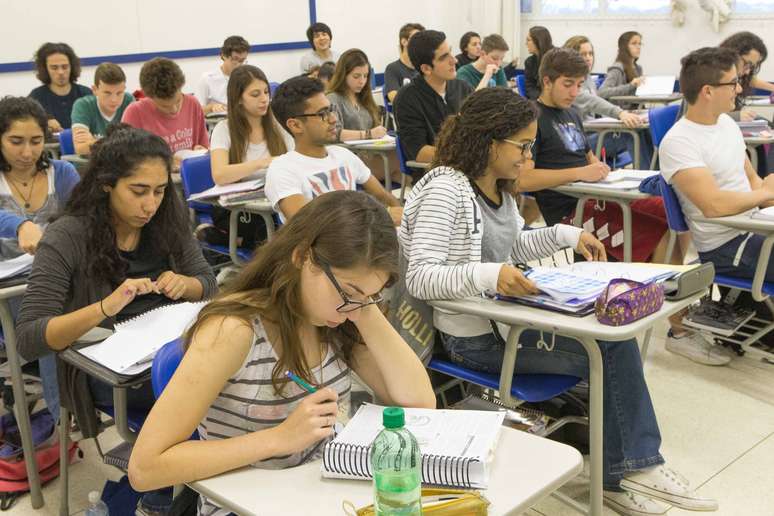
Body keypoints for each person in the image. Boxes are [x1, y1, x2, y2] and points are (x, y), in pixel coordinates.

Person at [400, 87, 718, 515]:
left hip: (504, 321)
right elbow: (421, 277)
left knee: (610, 339)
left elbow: (510, 246)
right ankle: (632, 470)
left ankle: (621, 469)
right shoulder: (446, 189)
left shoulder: (496, 185)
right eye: (523, 145)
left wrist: (568, 236)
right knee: (609, 347)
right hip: (473, 339)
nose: (528, 157)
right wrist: (493, 275)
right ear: (489, 141)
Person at [127, 190, 435, 516]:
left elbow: (417, 404)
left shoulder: (339, 320)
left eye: (369, 296)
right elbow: (145, 468)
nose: (350, 309)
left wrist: (364, 305)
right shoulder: (233, 331)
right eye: (346, 292)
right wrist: (279, 439)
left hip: (316, 495)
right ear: (302, 256)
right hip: (245, 505)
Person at [521, 48, 724, 364]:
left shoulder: (572, 114)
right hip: (570, 211)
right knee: (657, 231)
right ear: (547, 81)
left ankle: (666, 297)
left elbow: (587, 156)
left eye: (579, 85)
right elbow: (524, 179)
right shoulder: (534, 119)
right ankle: (673, 323)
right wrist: (581, 173)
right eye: (568, 84)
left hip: (595, 195)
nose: (575, 92)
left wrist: (603, 170)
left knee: (671, 211)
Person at [16, 123, 217, 437]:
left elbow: (207, 282)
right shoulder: (68, 235)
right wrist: (105, 307)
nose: (150, 204)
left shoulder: (165, 219)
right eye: (138, 191)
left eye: (160, 190)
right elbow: (29, 337)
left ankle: (185, 477)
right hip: (110, 370)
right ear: (107, 184)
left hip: (170, 349)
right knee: (212, 395)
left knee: (228, 377)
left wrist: (185, 284)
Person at [660, 47, 774, 365]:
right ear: (708, 91)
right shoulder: (679, 142)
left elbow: (752, 180)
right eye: (733, 83)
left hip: (754, 226)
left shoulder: (726, 124)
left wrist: (766, 192)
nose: (739, 89)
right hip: (726, 245)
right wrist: (764, 196)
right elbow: (713, 205)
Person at [0, 96, 81, 420]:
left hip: (57, 276)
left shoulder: (62, 172)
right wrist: (20, 225)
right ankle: (62, 412)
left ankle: (70, 403)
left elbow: (82, 217)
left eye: (35, 141)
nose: (26, 152)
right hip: (10, 289)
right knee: (48, 321)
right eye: (15, 142)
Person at [266, 76, 402, 224]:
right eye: (322, 114)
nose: (333, 119)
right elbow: (308, 225)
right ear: (296, 125)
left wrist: (405, 216)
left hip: (360, 239)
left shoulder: (343, 155)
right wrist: (380, 216)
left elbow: (383, 196)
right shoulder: (283, 169)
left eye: (331, 110)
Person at [204, 65, 293, 248]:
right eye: (255, 94)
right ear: (238, 100)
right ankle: (233, 241)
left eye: (266, 92)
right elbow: (219, 175)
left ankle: (238, 242)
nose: (264, 99)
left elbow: (295, 160)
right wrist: (262, 163)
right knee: (270, 236)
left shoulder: (275, 125)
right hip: (236, 208)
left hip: (271, 200)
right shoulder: (224, 129)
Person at [563, 35, 653, 169]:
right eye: (583, 54)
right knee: (631, 134)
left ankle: (656, 176)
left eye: (590, 53)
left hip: (594, 132)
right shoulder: (569, 83)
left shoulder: (587, 79)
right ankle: (649, 180)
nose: (588, 58)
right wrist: (620, 113)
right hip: (581, 141)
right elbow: (592, 101)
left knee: (642, 129)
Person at [393, 30, 473, 170]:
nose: (454, 60)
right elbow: (419, 152)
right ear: (426, 69)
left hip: (470, 167)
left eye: (451, 52)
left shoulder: (463, 87)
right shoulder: (406, 99)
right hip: (435, 174)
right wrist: (465, 154)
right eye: (444, 57)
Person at [121, 58, 209, 167]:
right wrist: (164, 163)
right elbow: (126, 159)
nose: (174, 109)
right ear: (150, 97)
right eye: (164, 106)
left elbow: (205, 146)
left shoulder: (193, 103)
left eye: (178, 101)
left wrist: (201, 151)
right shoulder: (134, 113)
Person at [326, 49, 393, 181]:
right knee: (398, 163)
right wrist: (368, 134)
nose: (362, 81)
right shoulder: (332, 99)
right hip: (349, 160)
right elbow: (335, 133)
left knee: (399, 162)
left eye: (365, 76)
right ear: (343, 75)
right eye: (356, 76)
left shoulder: (364, 98)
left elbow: (375, 130)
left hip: (371, 155)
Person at [70, 63, 134, 155]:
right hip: (91, 166)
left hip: (122, 165)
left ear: (124, 89)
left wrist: (95, 141)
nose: (114, 99)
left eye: (119, 93)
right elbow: (81, 148)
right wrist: (120, 141)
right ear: (95, 90)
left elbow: (134, 145)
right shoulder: (82, 105)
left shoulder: (129, 101)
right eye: (107, 93)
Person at [28, 42, 92, 132]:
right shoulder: (35, 97)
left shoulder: (86, 94)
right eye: (54, 68)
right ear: (45, 69)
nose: (60, 72)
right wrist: (45, 123)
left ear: (72, 67)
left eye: (65, 67)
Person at [196, 36, 250, 115]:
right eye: (235, 59)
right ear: (224, 56)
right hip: (217, 123)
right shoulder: (207, 79)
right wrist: (211, 107)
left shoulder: (248, 77)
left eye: (242, 60)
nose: (239, 65)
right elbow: (196, 111)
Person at [599, 31, 645, 108]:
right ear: (624, 47)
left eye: (640, 44)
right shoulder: (617, 68)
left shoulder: (638, 68)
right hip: (621, 113)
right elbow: (602, 92)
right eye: (634, 43)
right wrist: (631, 85)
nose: (638, 47)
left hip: (637, 110)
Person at [384, 22, 425, 103]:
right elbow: (394, 97)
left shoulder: (425, 67)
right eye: (416, 39)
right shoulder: (392, 68)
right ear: (404, 41)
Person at [523, 26, 554, 100]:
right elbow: (529, 86)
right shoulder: (529, 62)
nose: (525, 43)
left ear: (539, 41)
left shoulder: (557, 57)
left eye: (528, 40)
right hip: (539, 100)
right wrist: (539, 99)